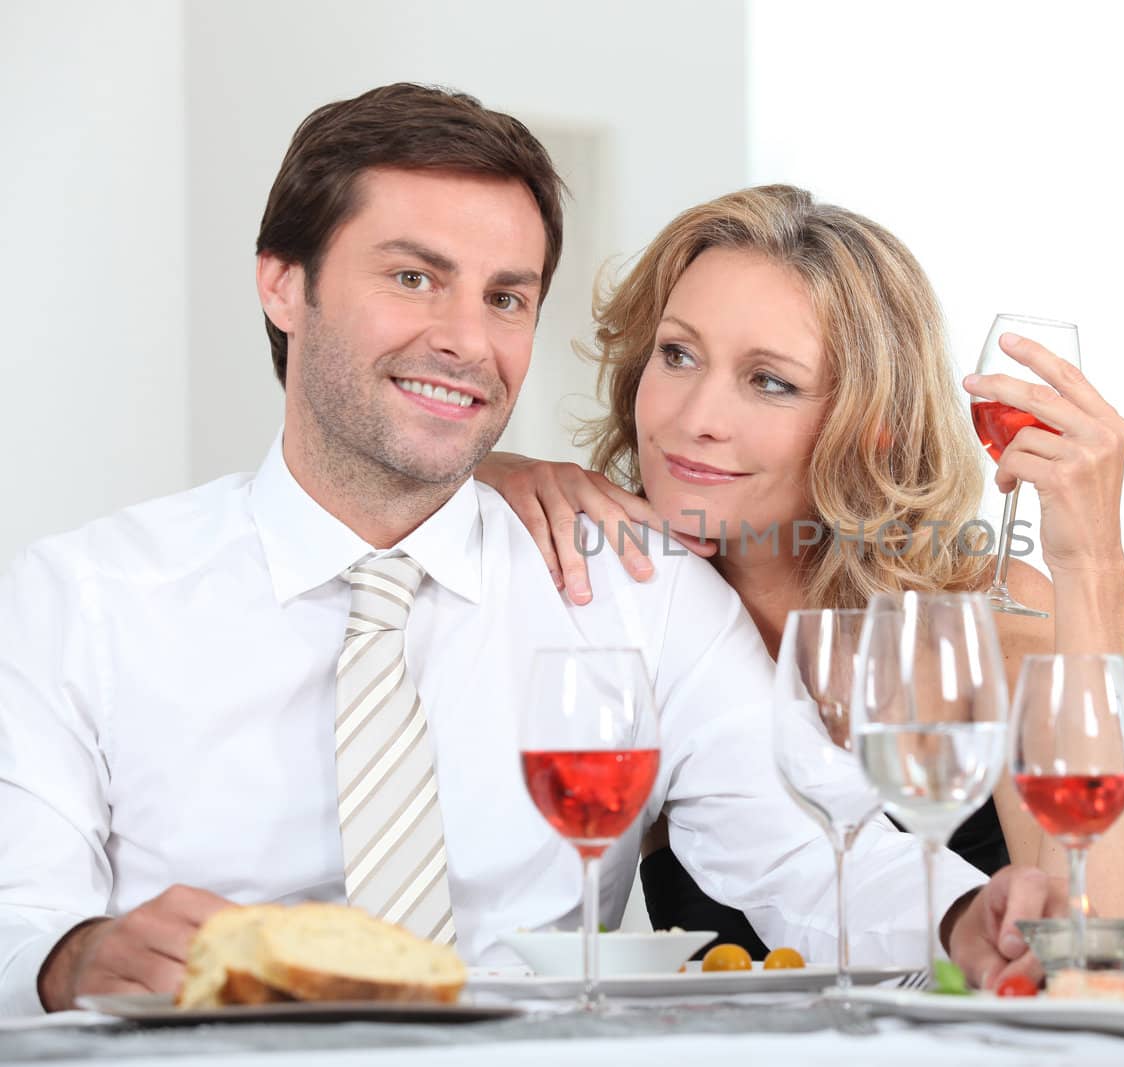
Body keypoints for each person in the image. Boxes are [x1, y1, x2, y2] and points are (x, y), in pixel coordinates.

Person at [0, 84, 1066, 1017]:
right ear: (284, 283)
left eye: (505, 296)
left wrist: (965, 917)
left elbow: (808, 854)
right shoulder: (77, 598)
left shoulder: (641, 593)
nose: (467, 337)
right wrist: (68, 955)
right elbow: (17, 916)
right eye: (414, 278)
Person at [476, 186, 1124, 953]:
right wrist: (482, 467)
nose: (694, 416)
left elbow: (1094, 933)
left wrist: (1092, 555)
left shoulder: (984, 618)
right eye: (677, 354)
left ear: (872, 425)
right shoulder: (614, 595)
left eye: (770, 381)